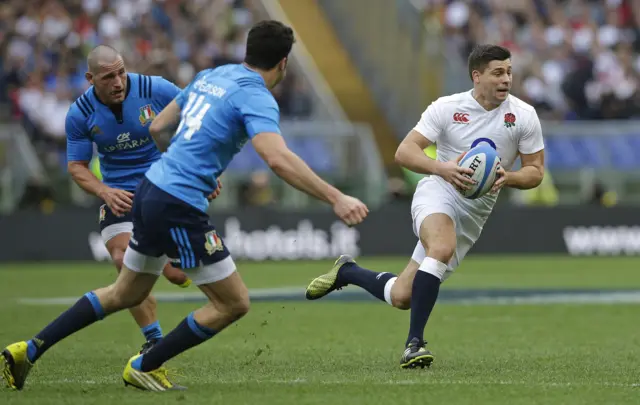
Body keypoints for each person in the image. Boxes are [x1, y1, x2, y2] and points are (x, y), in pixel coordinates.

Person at [2, 20, 368, 392]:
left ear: (248, 51)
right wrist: (336, 196)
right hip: (177, 203)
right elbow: (277, 159)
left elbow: (159, 127)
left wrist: (182, 166)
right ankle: (146, 364)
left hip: (150, 190)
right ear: (284, 63)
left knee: (125, 293)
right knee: (234, 303)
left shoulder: (214, 74)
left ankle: (27, 350)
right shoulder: (256, 96)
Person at [305, 44, 545, 369]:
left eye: (509, 72)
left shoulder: (523, 115)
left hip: (475, 212)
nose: (507, 79)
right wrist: (442, 168)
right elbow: (405, 152)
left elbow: (535, 172)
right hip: (438, 191)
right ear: (477, 76)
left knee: (403, 296)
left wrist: (509, 177)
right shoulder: (446, 108)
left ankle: (348, 271)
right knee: (441, 246)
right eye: (498, 72)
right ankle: (414, 345)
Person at [65, 45, 198, 355]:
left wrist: (204, 168)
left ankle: (163, 256)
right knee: (122, 260)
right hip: (120, 195)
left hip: (163, 188)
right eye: (109, 76)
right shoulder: (80, 113)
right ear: (90, 78)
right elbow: (76, 166)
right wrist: (104, 191)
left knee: (179, 276)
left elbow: (197, 116)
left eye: (121, 72)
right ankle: (154, 340)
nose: (118, 82)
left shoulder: (155, 87)